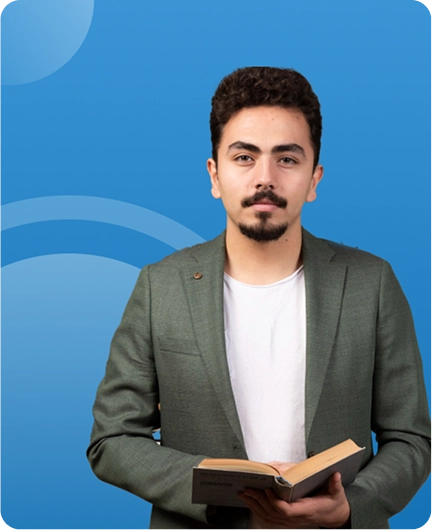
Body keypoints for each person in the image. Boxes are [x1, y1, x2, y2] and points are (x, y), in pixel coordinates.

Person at [87, 67, 432, 530]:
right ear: (215, 174)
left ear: (314, 179)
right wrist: (221, 494)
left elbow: (412, 438)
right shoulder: (159, 286)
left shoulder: (371, 282)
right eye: (244, 157)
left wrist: (353, 505)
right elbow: (111, 438)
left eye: (287, 159)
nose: (264, 178)